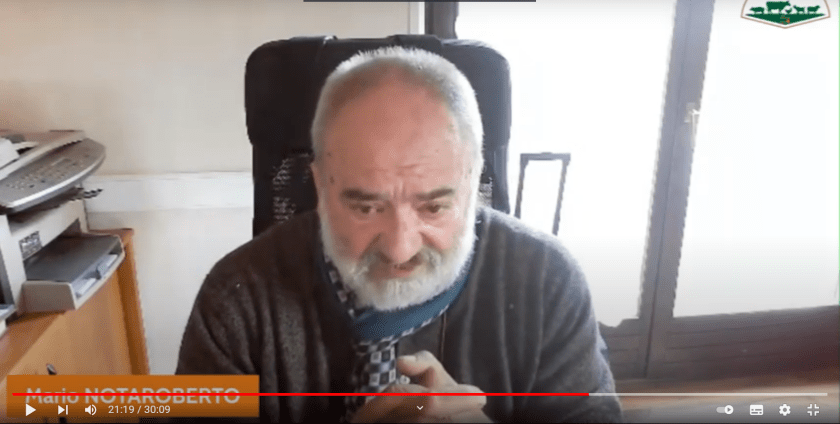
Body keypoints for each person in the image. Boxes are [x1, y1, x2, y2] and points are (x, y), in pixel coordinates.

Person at [176, 46, 623, 423]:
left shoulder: (548, 281)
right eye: (366, 207)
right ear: (320, 186)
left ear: (473, 184)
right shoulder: (234, 297)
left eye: (434, 207)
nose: (399, 248)